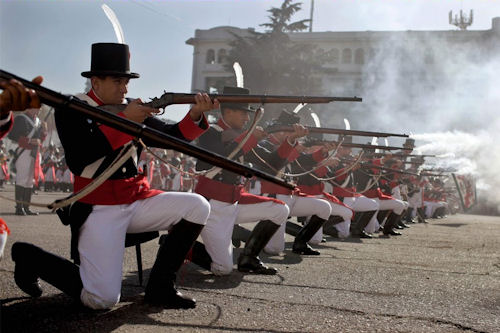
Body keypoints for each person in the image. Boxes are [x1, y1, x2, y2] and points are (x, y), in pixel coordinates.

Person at [11, 42, 218, 310]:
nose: (125, 88)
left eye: (127, 81)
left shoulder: (131, 107)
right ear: (95, 82)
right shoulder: (71, 108)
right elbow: (80, 158)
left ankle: (161, 287)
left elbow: (173, 137)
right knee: (102, 299)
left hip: (136, 199)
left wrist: (196, 114)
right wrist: (128, 122)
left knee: (198, 206)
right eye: (118, 80)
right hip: (98, 207)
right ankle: (30, 257)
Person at [192, 86, 293, 276]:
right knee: (222, 269)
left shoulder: (243, 136)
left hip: (236, 201)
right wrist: (250, 139)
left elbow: (272, 165)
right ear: (228, 111)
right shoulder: (209, 132)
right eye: (243, 113)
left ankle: (249, 258)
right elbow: (223, 158)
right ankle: (179, 245)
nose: (247, 119)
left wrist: (291, 140)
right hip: (213, 206)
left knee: (280, 210)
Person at [8, 107, 47, 215]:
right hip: (24, 152)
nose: (38, 110)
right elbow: (13, 135)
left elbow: (39, 140)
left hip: (34, 153)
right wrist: (29, 140)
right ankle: (19, 208)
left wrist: (44, 132)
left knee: (30, 181)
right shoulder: (21, 118)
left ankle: (26, 207)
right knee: (22, 179)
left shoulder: (38, 121)